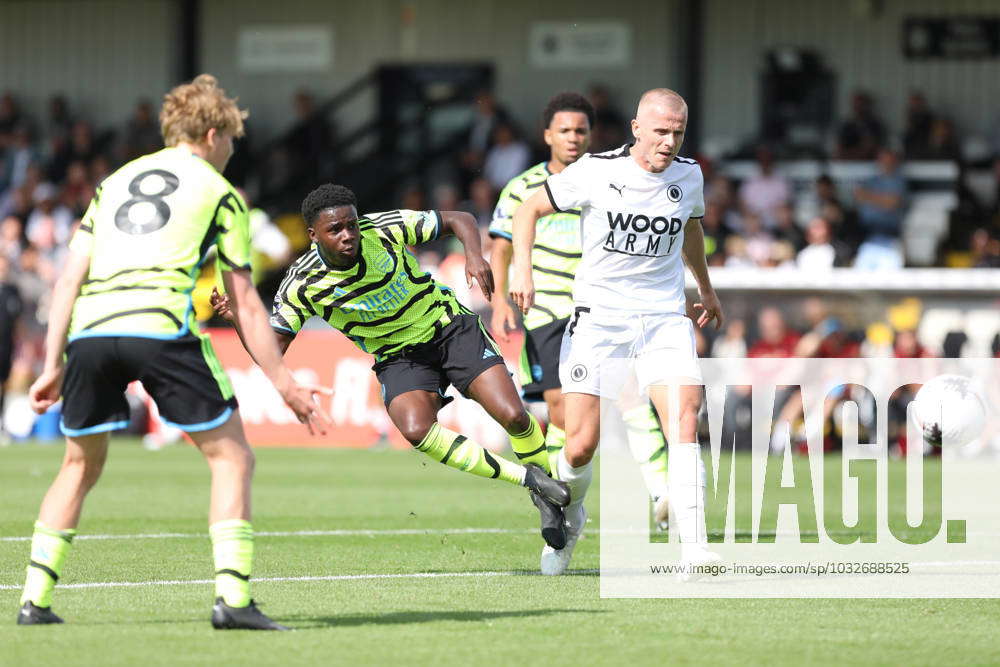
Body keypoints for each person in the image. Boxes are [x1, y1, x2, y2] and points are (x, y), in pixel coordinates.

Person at [16, 75, 329, 630]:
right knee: (232, 457)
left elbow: (68, 280)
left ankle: (33, 601)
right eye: (232, 140)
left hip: (90, 333)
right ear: (211, 134)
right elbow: (246, 306)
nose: (232, 152)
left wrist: (51, 365)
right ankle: (233, 602)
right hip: (158, 328)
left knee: (78, 466)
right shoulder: (220, 192)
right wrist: (286, 384)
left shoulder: (111, 182)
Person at [211, 184, 571, 551]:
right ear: (312, 235)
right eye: (335, 230)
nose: (348, 235)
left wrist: (474, 256)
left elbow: (459, 219)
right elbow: (272, 350)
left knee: (513, 416)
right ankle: (530, 480)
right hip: (398, 356)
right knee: (415, 430)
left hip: (447, 326)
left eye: (351, 224)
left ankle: (549, 503)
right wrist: (239, 318)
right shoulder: (302, 283)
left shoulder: (383, 227)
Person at [510, 88, 724, 575]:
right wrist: (522, 270)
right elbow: (528, 211)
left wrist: (705, 290)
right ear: (637, 128)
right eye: (661, 131)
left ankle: (694, 548)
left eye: (678, 132)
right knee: (580, 442)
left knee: (684, 421)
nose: (669, 142)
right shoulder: (597, 171)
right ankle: (571, 518)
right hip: (600, 320)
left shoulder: (689, 175)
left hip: (664, 318)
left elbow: (690, 229)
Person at [489, 92, 673, 527]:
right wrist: (500, 297)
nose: (574, 138)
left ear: (592, 135)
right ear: (548, 135)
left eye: (581, 131)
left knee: (631, 394)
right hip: (547, 308)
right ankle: (564, 500)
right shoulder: (523, 187)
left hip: (603, 307)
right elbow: (500, 246)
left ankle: (665, 496)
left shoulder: (611, 177)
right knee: (558, 410)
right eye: (566, 131)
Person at [0, 254, 22, 444]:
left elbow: (18, 322)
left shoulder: (12, 291)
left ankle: (1, 424)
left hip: (6, 346)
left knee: (4, 385)